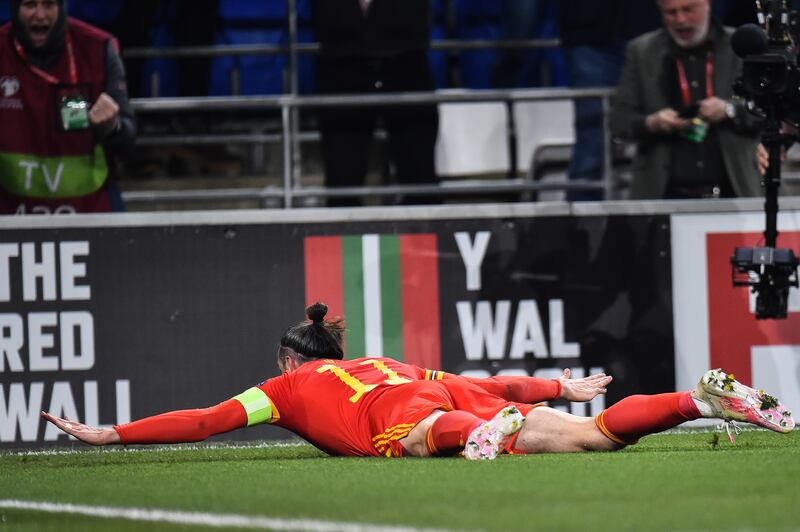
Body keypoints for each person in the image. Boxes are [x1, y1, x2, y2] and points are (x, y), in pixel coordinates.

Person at [42, 302, 794, 459]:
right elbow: (480, 378)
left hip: (420, 414)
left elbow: (205, 421)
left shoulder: (285, 389)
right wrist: (552, 389)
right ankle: (698, 399)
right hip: (450, 392)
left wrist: (115, 431)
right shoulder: (382, 359)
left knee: (430, 435)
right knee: (591, 439)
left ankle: (484, 438)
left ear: (287, 361)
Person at [610, 0, 761, 200]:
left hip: (736, 193)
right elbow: (619, 121)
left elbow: (768, 110)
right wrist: (652, 123)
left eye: (688, 9)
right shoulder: (641, 51)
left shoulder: (740, 46)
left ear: (707, 4)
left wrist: (729, 109)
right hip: (663, 197)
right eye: (671, 13)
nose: (680, 20)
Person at [0, 0, 136, 214]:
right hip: (10, 217)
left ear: (62, 7)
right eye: (30, 5)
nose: (40, 15)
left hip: (89, 213)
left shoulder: (97, 48)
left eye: (49, 4)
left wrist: (112, 126)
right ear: (15, 9)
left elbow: (128, 141)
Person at [311, 0, 439, 207]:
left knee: (421, 179)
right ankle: (345, 232)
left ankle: (422, 235)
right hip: (340, 67)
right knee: (342, 184)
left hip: (407, 63)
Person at [560, 0, 661, 201]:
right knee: (592, 136)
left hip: (651, 28)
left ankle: (664, 212)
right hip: (590, 34)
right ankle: (581, 224)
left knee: (664, 126)